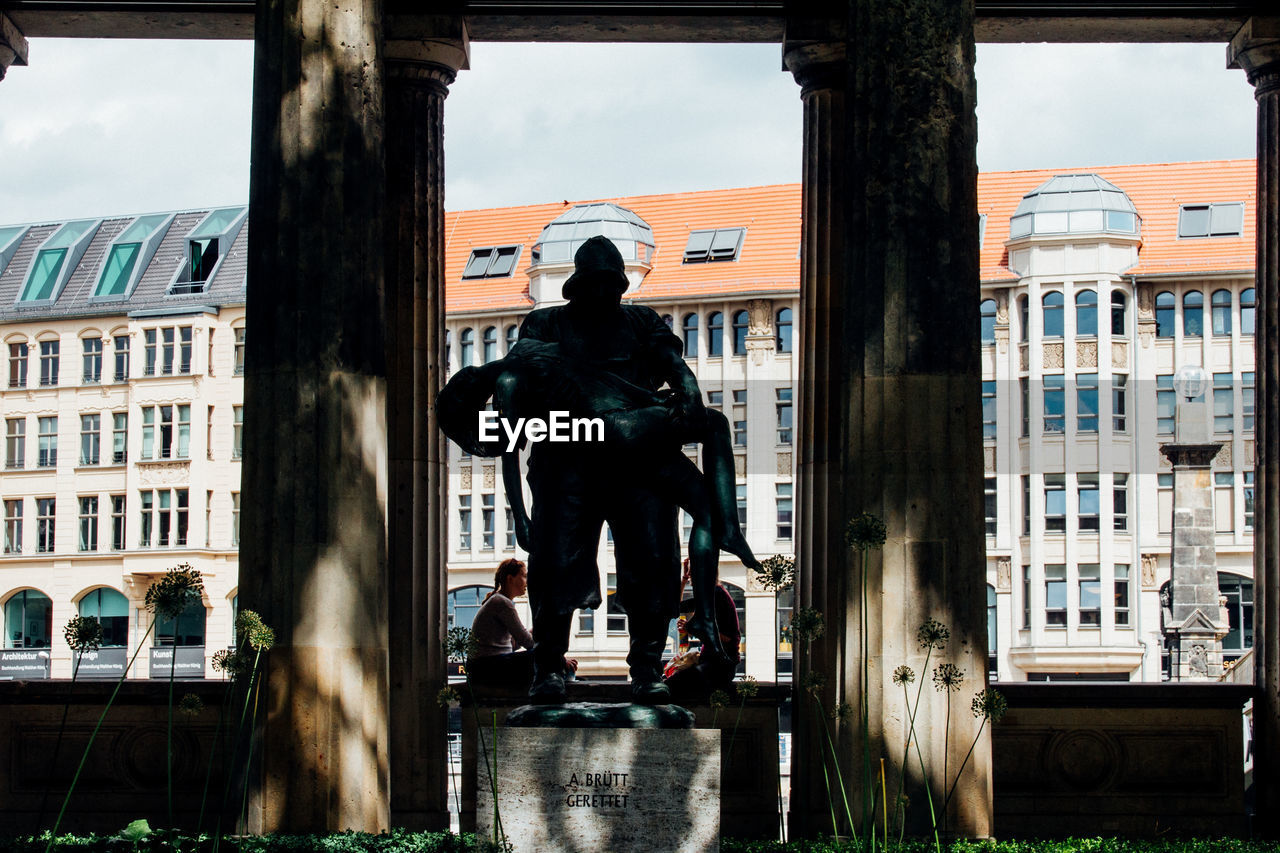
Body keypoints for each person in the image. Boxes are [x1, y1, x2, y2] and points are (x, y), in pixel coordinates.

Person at [439, 236, 756, 703]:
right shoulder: (545, 323)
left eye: (612, 284)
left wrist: (686, 383)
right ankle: (548, 666)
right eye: (596, 284)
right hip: (567, 467)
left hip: (640, 471)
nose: (605, 293)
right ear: (578, 286)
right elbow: (512, 393)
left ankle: (646, 668)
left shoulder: (640, 320)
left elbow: (672, 361)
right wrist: (521, 511)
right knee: (554, 566)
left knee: (651, 562)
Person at [465, 558, 577, 688]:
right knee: (540, 656)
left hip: (483, 667)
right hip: (487, 667)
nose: (527, 582)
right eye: (524, 576)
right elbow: (528, 642)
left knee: (541, 655)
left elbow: (512, 644)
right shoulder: (501, 602)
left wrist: (536, 630)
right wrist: (560, 660)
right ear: (510, 579)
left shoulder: (498, 601)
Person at [664, 558, 741, 702]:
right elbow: (676, 607)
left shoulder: (716, 595)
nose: (692, 576)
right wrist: (684, 579)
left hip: (719, 668)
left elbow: (728, 638)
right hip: (713, 664)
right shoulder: (709, 596)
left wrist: (691, 628)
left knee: (671, 685)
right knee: (670, 682)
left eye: (693, 573)